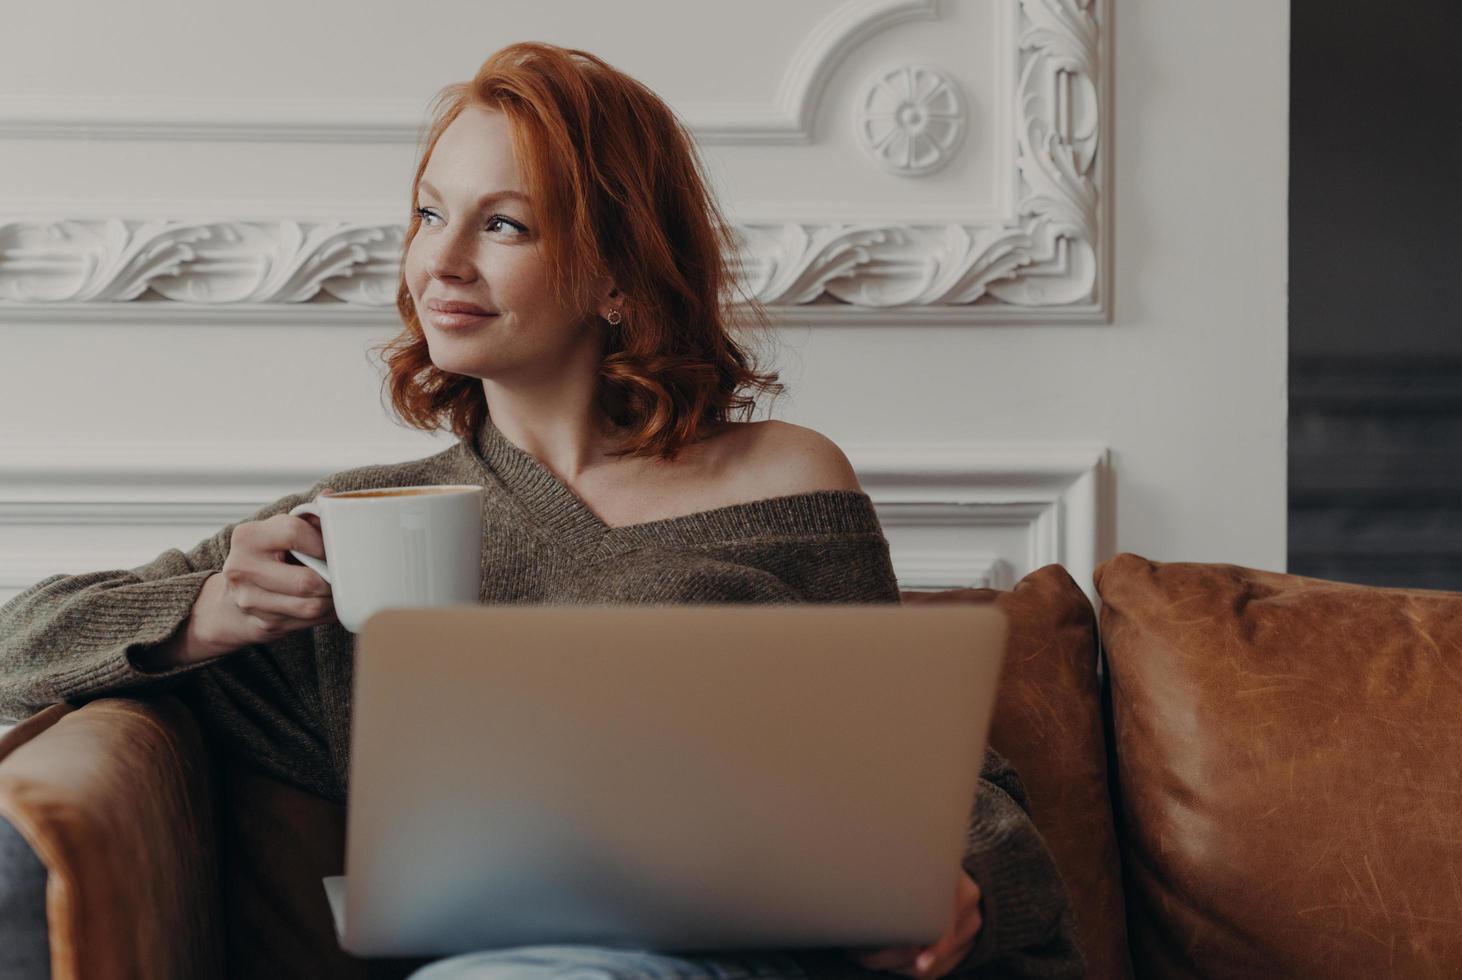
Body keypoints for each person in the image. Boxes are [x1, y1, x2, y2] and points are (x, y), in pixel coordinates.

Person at [0, 42, 1084, 980]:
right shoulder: (360, 526)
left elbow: (942, 771)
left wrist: (964, 880)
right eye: (430, 213)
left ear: (616, 275)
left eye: (503, 223)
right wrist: (207, 611)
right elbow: (19, 645)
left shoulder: (786, 479)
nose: (441, 261)